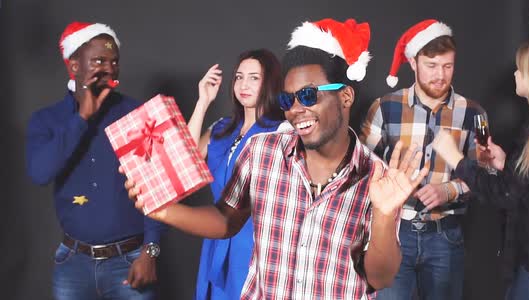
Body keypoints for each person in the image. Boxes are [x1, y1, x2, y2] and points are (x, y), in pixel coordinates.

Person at [124, 18, 429, 299]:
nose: (296, 109)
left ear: (345, 97)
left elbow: (380, 277)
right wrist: (164, 211)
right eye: (288, 99)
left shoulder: (377, 178)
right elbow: (225, 221)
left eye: (308, 95)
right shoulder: (261, 152)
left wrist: (386, 214)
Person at [432, 38, 529, 300]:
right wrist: (505, 164)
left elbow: (504, 195)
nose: (515, 73)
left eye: (521, 70)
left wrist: (455, 158)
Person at [25, 22, 164, 299]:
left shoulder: (138, 113)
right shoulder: (47, 120)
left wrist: (151, 252)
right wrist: (82, 119)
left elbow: (159, 189)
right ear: (74, 65)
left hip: (131, 261)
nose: (109, 68)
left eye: (114, 61)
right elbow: (40, 173)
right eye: (99, 60)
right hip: (72, 265)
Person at [360, 19, 486, 300]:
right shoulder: (385, 108)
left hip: (445, 236)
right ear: (414, 63)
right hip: (393, 233)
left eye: (448, 66)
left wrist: (448, 190)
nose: (440, 75)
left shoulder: (472, 113)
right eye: (431, 65)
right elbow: (362, 168)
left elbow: (484, 175)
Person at [186, 49, 287, 300]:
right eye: (239, 77)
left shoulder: (282, 132)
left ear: (270, 82)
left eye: (254, 78)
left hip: (256, 241)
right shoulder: (221, 127)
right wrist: (202, 102)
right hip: (217, 233)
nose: (244, 84)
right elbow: (184, 163)